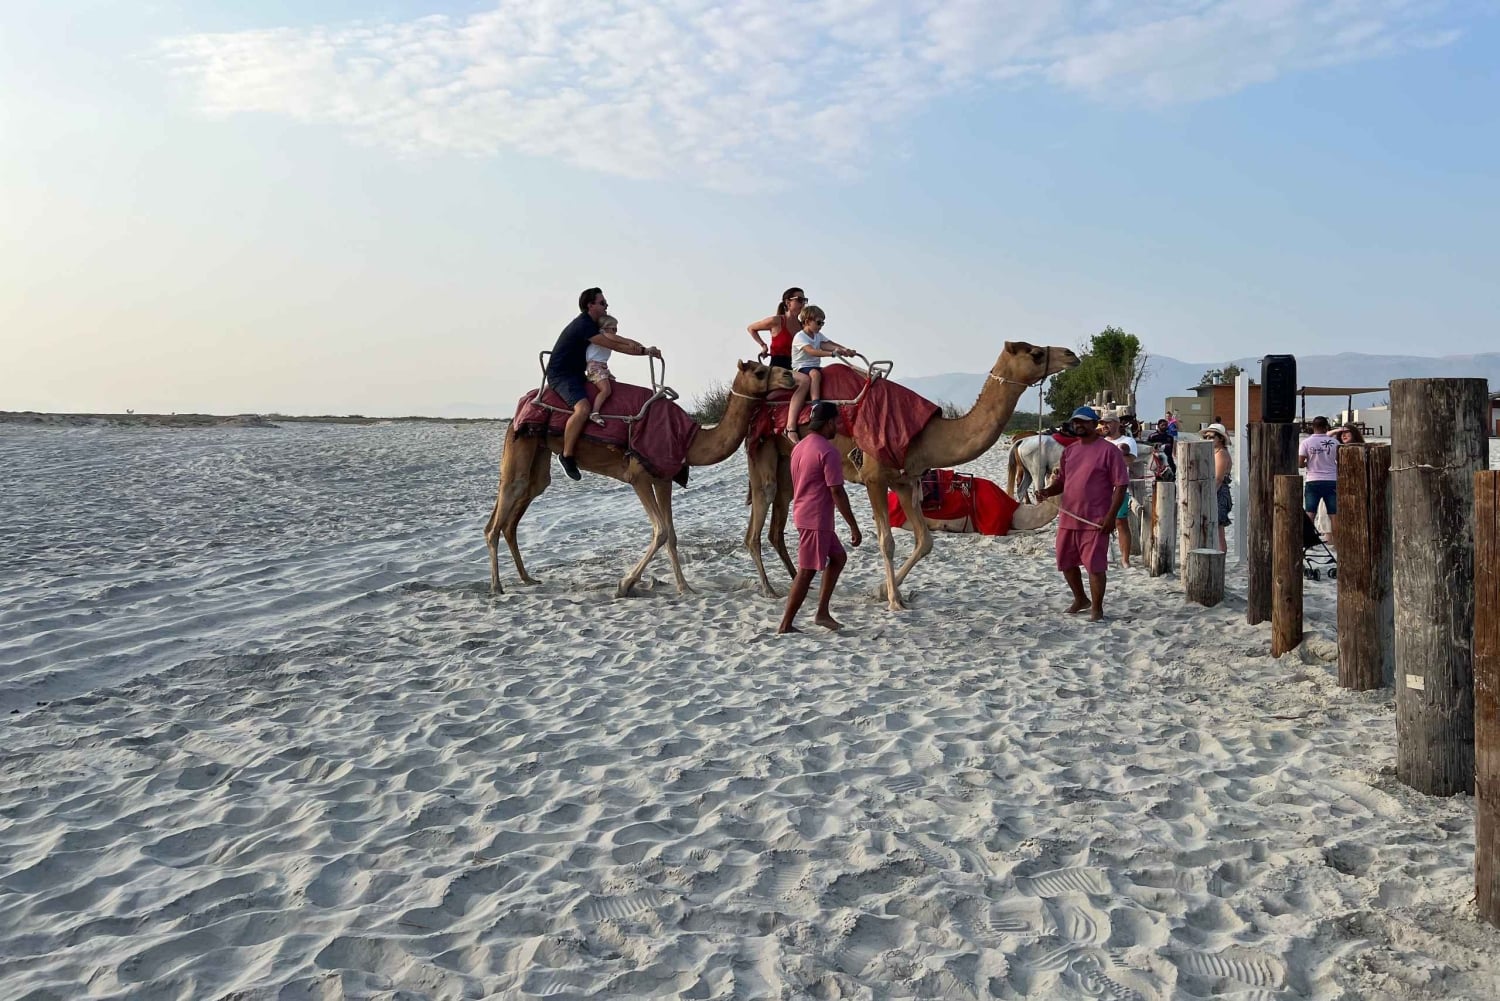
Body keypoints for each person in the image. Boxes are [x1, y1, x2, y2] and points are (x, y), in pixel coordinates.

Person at [545, 289, 660, 480]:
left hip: (578, 373)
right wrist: (644, 351)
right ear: (590, 305)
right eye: (603, 303)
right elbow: (614, 344)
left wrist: (644, 349)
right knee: (582, 409)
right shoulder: (584, 325)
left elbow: (618, 340)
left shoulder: (594, 325)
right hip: (562, 375)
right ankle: (567, 455)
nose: (606, 306)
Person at [1037, 406, 1129, 621]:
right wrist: (1047, 491)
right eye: (1076, 421)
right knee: (1066, 562)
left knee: (1094, 566)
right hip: (1069, 517)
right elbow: (1062, 482)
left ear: (1094, 423)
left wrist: (1111, 517)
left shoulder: (1109, 451)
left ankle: (1097, 608)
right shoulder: (1070, 451)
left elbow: (1121, 486)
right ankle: (1081, 598)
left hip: (1095, 519)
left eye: (1084, 421)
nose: (1079, 425)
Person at [779, 402, 862, 633]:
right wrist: (853, 526)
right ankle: (786, 624)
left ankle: (822, 613)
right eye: (836, 422)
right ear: (827, 423)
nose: (838, 426)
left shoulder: (800, 446)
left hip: (805, 513)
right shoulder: (828, 452)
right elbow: (837, 490)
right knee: (806, 571)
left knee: (838, 558)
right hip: (816, 518)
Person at [785, 304, 855, 442]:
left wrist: (845, 350)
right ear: (807, 322)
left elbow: (828, 343)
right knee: (814, 375)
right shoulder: (800, 337)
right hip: (801, 368)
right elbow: (812, 351)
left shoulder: (817, 335)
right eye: (818, 322)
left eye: (823, 322)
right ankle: (815, 404)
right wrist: (832, 354)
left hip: (815, 367)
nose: (821, 325)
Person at [584, 314, 654, 426]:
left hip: (602, 366)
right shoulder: (604, 335)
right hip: (595, 367)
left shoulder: (606, 337)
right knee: (606, 390)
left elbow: (620, 340)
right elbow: (619, 340)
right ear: (604, 328)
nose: (615, 332)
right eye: (614, 329)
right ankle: (594, 412)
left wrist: (643, 348)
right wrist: (630, 343)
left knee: (613, 385)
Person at [1101, 412, 1138, 568]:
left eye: (1108, 423)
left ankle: (1125, 558)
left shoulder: (1128, 441)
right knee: (1099, 522)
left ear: (1116, 423)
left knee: (1120, 522)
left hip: (1118, 487)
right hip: (1101, 488)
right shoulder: (1100, 442)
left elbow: (1128, 461)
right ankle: (1105, 554)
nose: (1104, 426)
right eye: (1103, 423)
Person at [746, 287, 806, 371]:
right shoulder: (777, 321)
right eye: (800, 300)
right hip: (778, 370)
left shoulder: (803, 327)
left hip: (797, 367)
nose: (803, 303)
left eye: (805, 300)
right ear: (788, 303)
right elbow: (751, 328)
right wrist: (763, 346)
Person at [1299, 415, 1340, 536]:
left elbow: (1300, 463)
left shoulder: (1306, 442)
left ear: (1313, 427)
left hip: (1313, 480)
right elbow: (1339, 460)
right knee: (1334, 514)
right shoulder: (1335, 442)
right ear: (1326, 427)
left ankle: (1307, 539)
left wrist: (1308, 463)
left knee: (1310, 513)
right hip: (1331, 480)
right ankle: (1337, 542)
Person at [1201, 422, 1232, 552]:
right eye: (1206, 437)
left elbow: (1218, 478)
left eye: (1212, 436)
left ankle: (1221, 561)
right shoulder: (1212, 452)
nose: (1209, 439)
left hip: (1218, 492)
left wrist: (1209, 495)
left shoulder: (1221, 453)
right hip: (1213, 490)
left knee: (1219, 531)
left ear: (1220, 438)